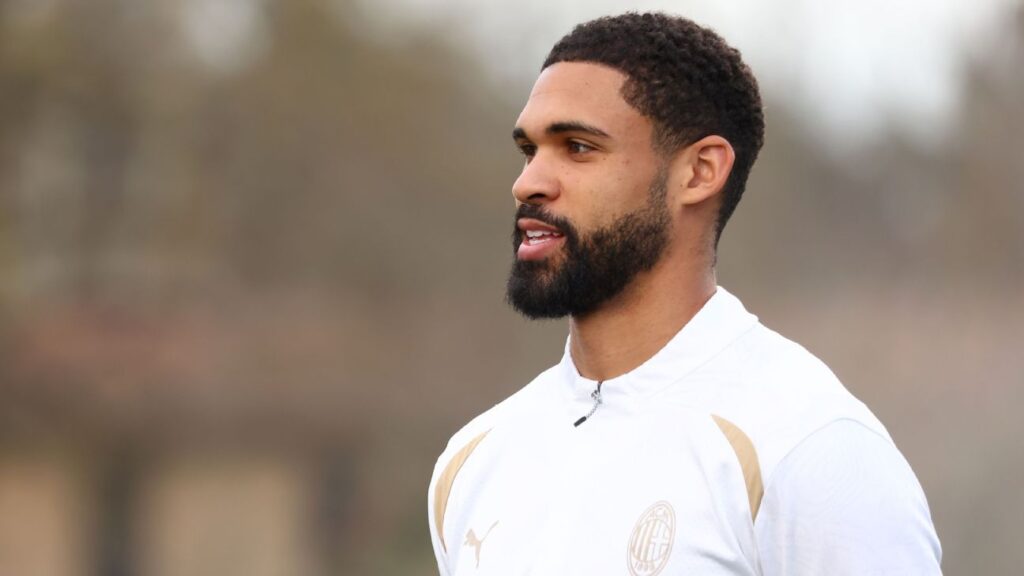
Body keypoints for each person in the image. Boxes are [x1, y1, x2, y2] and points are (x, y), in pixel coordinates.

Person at [428, 12, 941, 575]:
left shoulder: (808, 448)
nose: (527, 183)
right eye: (530, 150)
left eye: (577, 147)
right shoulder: (474, 461)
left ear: (699, 172)